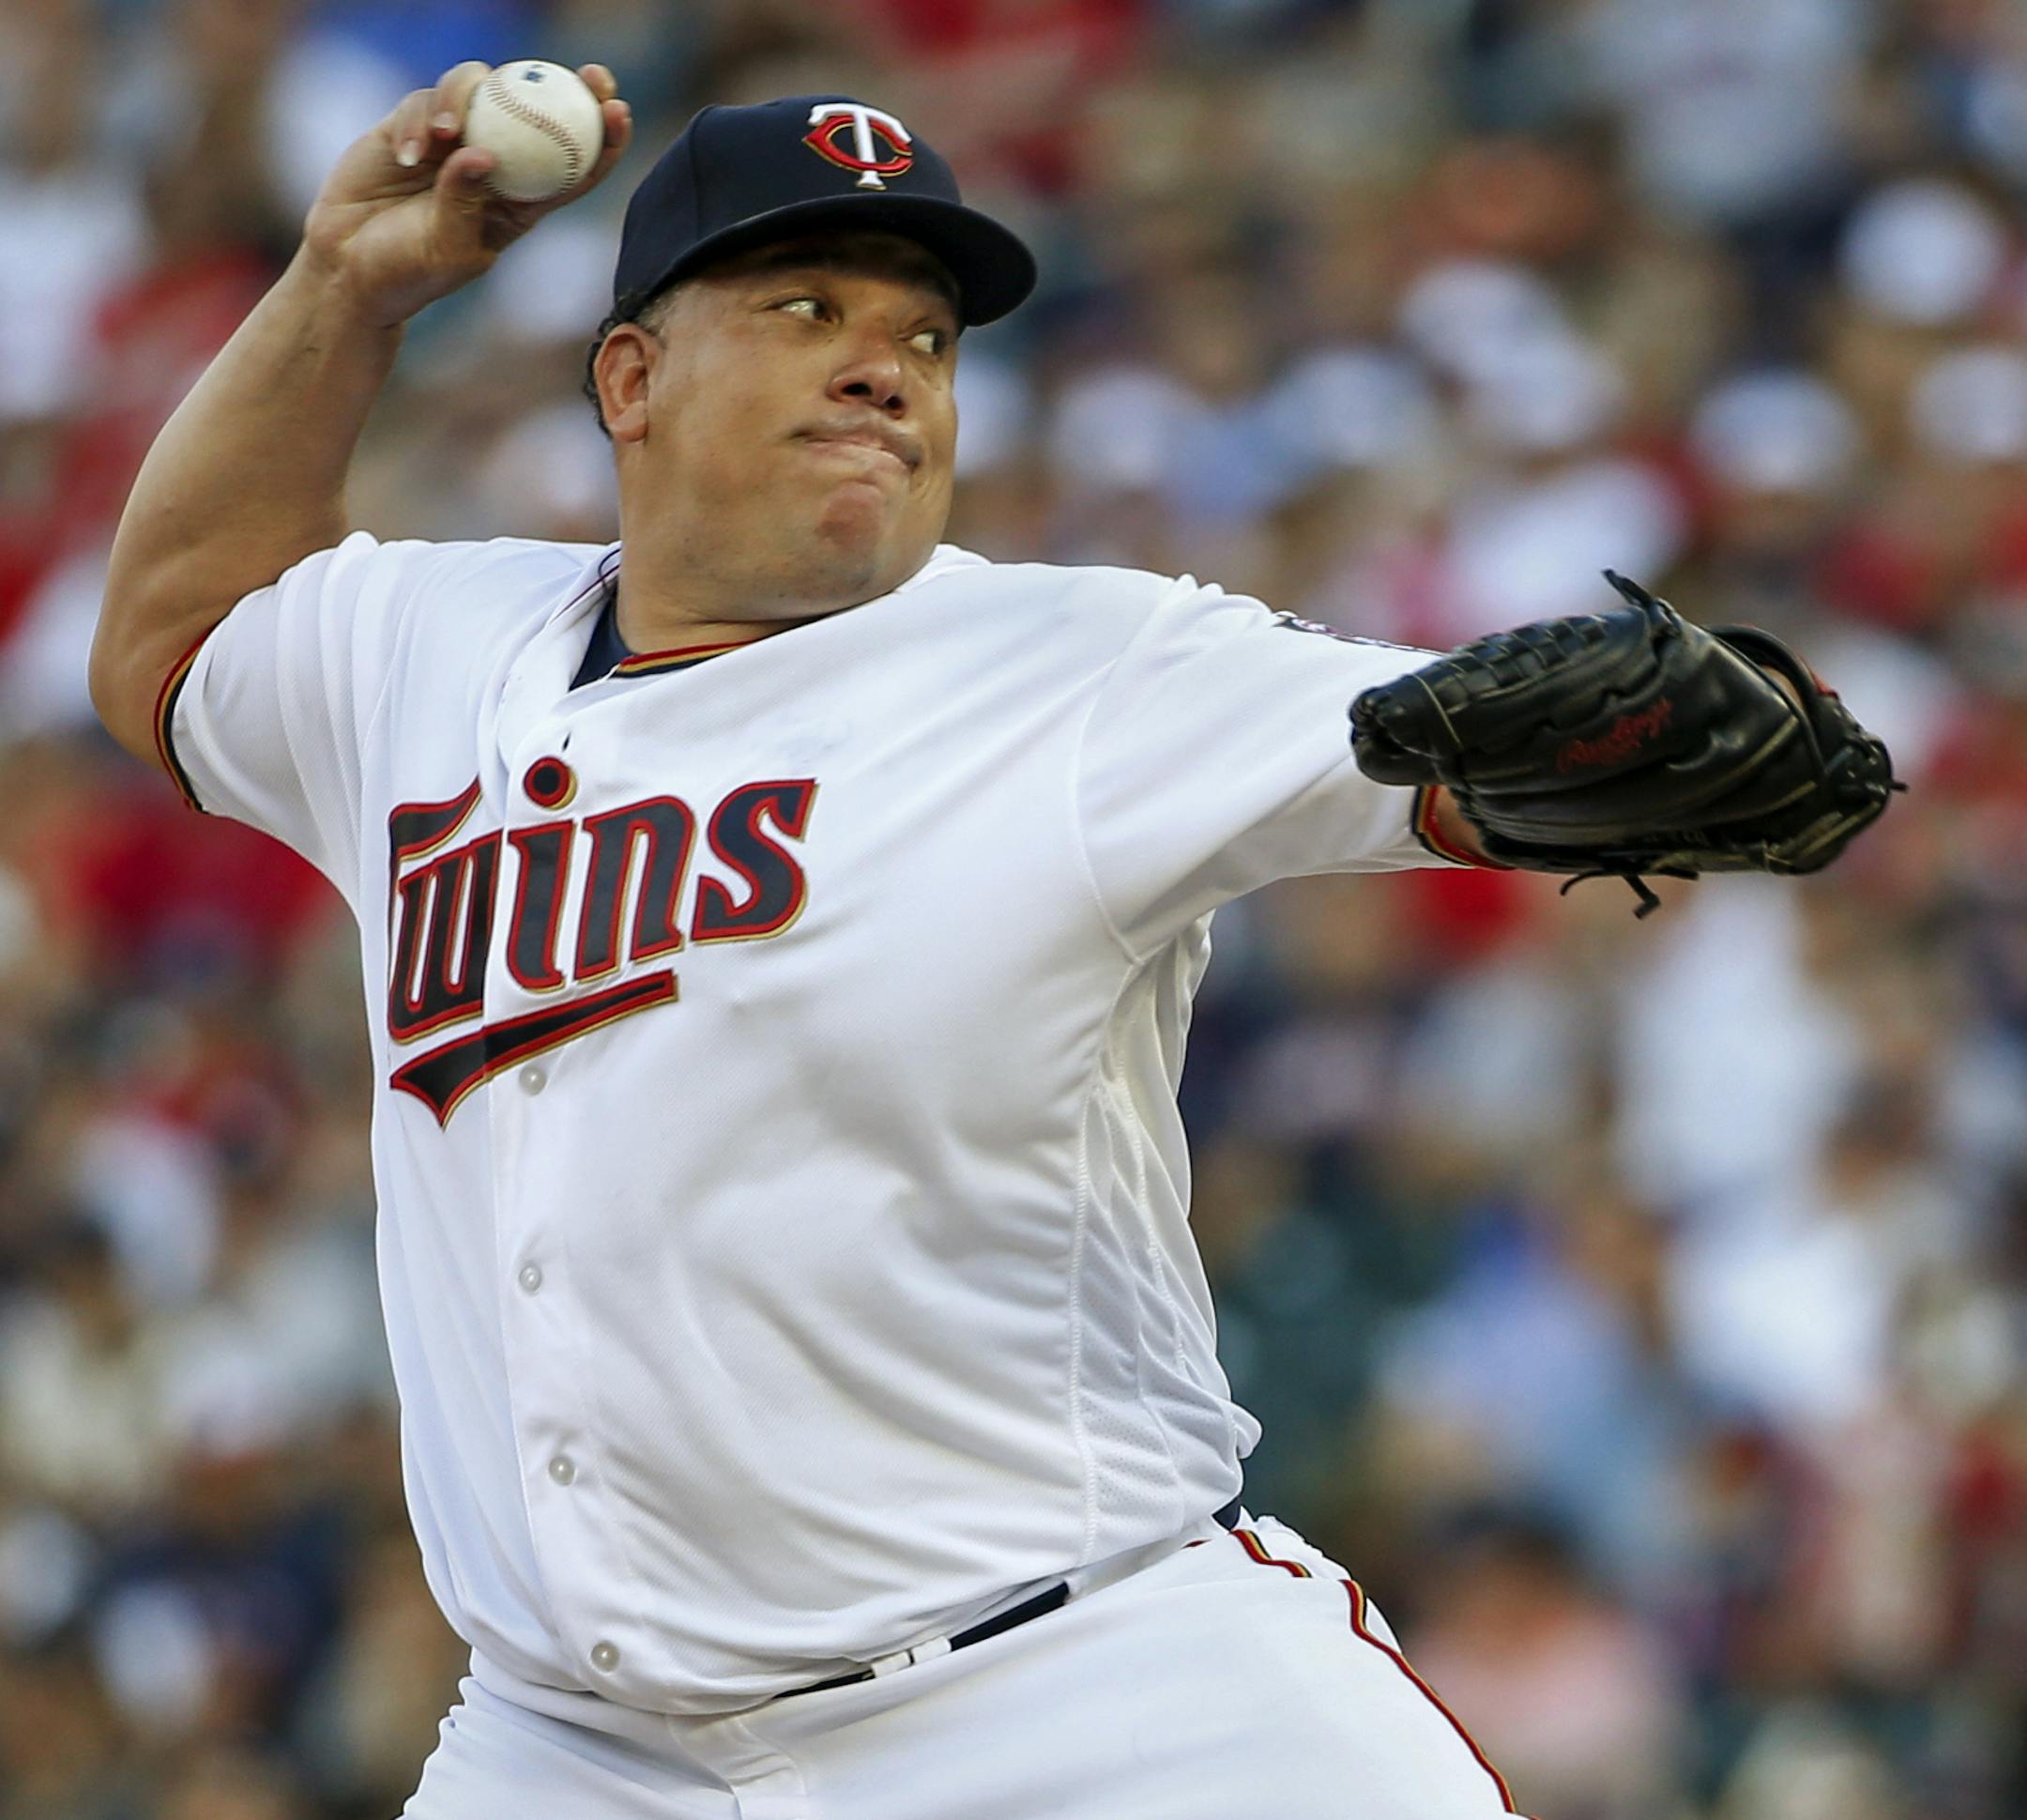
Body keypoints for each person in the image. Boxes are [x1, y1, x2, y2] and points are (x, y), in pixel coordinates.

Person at [93, 65, 1635, 1819]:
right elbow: (167, 640)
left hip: (1084, 1688)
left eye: (924, 333)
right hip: (580, 1752)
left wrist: (1622, 750)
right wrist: (347, 288)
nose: (881, 362)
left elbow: (1442, 742)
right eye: (805, 306)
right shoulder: (431, 646)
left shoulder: (1091, 669)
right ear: (631, 380)